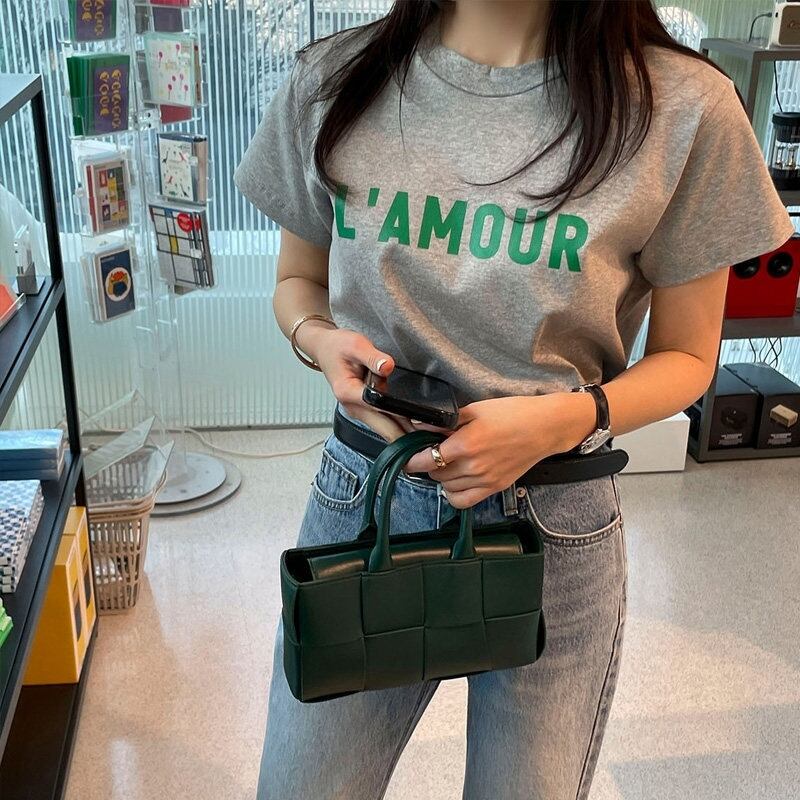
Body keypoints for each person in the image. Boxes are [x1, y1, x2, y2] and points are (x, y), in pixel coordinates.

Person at [235, 1, 794, 797]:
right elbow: (298, 282)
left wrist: (566, 418)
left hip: (555, 521)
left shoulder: (685, 108)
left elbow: (687, 357)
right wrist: (321, 340)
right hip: (368, 496)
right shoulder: (335, 79)